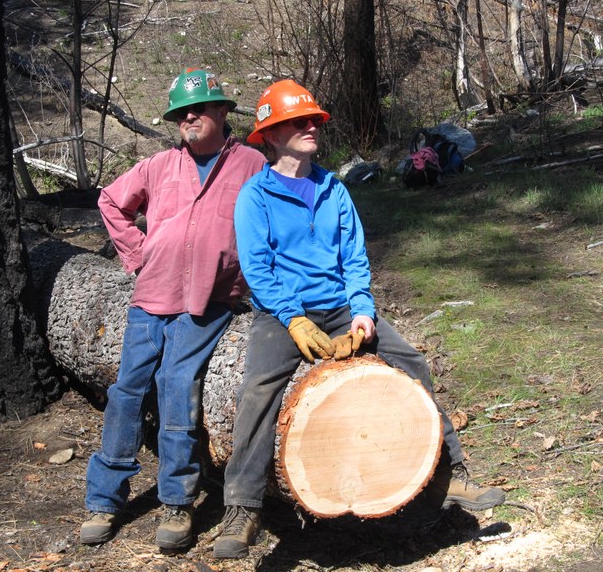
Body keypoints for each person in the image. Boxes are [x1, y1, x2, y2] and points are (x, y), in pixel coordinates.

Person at [213, 80, 505, 559]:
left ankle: (450, 476)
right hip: (282, 313)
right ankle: (242, 508)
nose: (312, 127)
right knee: (258, 391)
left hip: (341, 307)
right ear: (270, 133)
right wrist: (292, 319)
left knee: (412, 362)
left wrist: (364, 313)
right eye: (299, 121)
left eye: (314, 120)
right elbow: (258, 270)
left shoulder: (332, 187)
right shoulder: (255, 197)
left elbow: (354, 258)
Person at [80, 68, 266, 549]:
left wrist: (251, 279)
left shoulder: (251, 164)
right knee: (126, 390)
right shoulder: (160, 165)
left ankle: (177, 502)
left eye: (198, 109)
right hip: (152, 296)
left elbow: (271, 224)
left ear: (222, 112)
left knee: (177, 383)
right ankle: (104, 499)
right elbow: (111, 202)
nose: (188, 118)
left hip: (208, 300)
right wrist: (137, 255)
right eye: (180, 113)